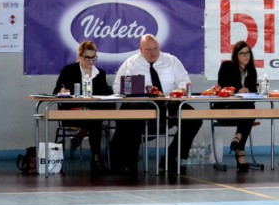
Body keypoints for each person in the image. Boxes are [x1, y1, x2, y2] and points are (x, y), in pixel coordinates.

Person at [110, 35, 202, 175]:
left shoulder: (171, 60)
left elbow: (185, 81)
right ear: (141, 49)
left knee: (194, 119)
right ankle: (128, 164)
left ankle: (171, 158)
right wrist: (136, 90)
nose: (153, 52)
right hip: (142, 104)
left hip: (168, 103)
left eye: (155, 48)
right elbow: (117, 88)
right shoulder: (131, 64)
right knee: (131, 117)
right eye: (148, 50)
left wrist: (181, 89)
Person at [52, 41, 112, 174]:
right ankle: (97, 159)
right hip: (72, 114)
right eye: (87, 58)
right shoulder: (69, 70)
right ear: (79, 56)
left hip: (92, 114)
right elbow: (56, 90)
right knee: (95, 120)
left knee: (94, 118)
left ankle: (83, 134)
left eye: (93, 58)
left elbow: (105, 95)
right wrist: (62, 90)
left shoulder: (100, 74)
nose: (90, 61)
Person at [216, 41, 258, 172]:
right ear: (236, 55)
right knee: (249, 112)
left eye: (248, 53)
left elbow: (253, 92)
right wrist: (237, 90)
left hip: (244, 110)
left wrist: (249, 91)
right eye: (242, 53)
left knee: (249, 109)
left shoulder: (251, 71)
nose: (246, 56)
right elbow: (222, 84)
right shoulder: (227, 66)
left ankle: (238, 139)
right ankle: (240, 151)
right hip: (225, 108)